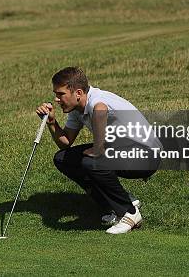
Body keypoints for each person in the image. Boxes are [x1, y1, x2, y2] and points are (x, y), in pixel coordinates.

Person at [35, 67, 162, 234]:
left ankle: (129, 214)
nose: (56, 99)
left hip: (146, 155)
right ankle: (117, 204)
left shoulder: (97, 100)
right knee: (63, 159)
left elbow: (100, 109)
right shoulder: (77, 109)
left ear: (78, 93)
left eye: (60, 94)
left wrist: (98, 148)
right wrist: (52, 122)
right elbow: (65, 143)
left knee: (93, 161)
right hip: (124, 151)